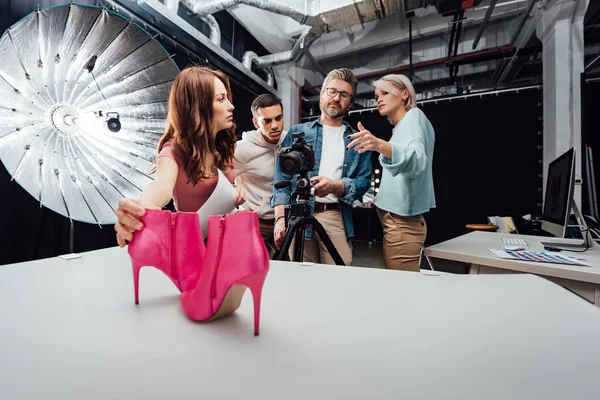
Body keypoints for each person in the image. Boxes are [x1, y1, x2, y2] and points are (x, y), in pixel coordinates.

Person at [114, 66, 245, 247]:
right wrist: (141, 209)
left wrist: (236, 191)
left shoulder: (223, 147)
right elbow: (161, 186)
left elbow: (225, 186)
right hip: (192, 245)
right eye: (221, 99)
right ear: (199, 105)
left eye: (227, 98)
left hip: (227, 240)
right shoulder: (172, 151)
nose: (231, 106)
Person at [271, 68, 372, 266]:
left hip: (334, 214)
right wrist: (280, 219)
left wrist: (336, 186)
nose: (336, 98)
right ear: (322, 95)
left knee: (338, 277)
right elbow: (280, 180)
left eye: (344, 94)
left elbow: (363, 182)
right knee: (301, 277)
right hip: (298, 211)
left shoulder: (358, 140)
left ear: (350, 103)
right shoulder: (297, 132)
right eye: (332, 91)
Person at [347, 74, 435, 271]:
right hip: (399, 224)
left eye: (385, 93)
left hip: (403, 225)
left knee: (402, 291)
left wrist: (379, 145)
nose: (378, 98)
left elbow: (417, 161)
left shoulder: (413, 117)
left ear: (405, 93)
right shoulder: (401, 127)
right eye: (377, 95)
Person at [233, 94, 286, 255]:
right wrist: (237, 208)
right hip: (256, 221)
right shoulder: (243, 150)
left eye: (278, 118)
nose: (275, 126)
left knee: (293, 269)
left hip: (285, 219)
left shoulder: (289, 141)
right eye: (267, 121)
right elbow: (220, 180)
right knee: (252, 271)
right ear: (256, 123)